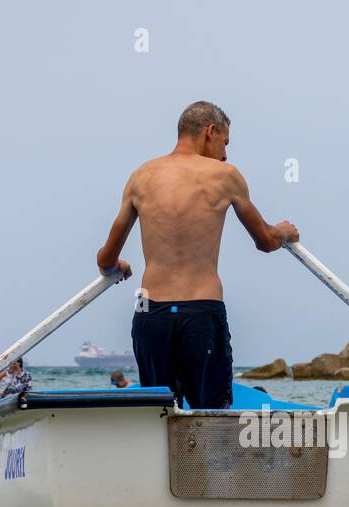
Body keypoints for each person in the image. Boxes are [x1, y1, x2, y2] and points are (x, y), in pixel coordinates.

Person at [96, 101, 299, 410]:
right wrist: (286, 231)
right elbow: (265, 240)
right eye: (225, 143)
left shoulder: (141, 176)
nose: (226, 153)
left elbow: (105, 258)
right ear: (210, 131)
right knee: (211, 418)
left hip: (151, 312)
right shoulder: (225, 176)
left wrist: (117, 266)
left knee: (158, 417)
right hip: (200, 311)